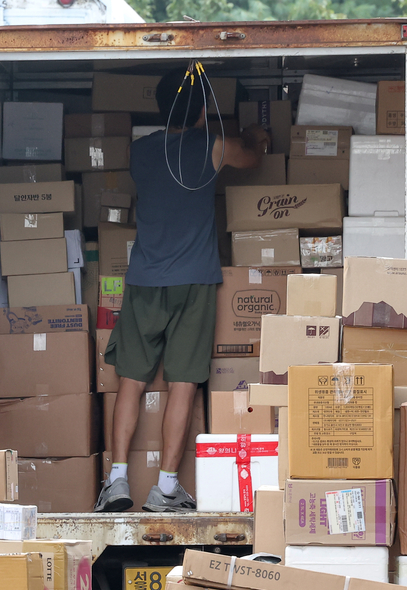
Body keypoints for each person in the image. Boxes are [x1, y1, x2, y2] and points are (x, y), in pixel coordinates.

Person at [94, 65, 269, 513]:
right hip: (194, 280)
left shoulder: (140, 151)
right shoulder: (211, 146)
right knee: (183, 385)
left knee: (130, 382)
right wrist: (254, 132)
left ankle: (116, 481)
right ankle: (166, 487)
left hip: (145, 280)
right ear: (204, 110)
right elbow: (252, 155)